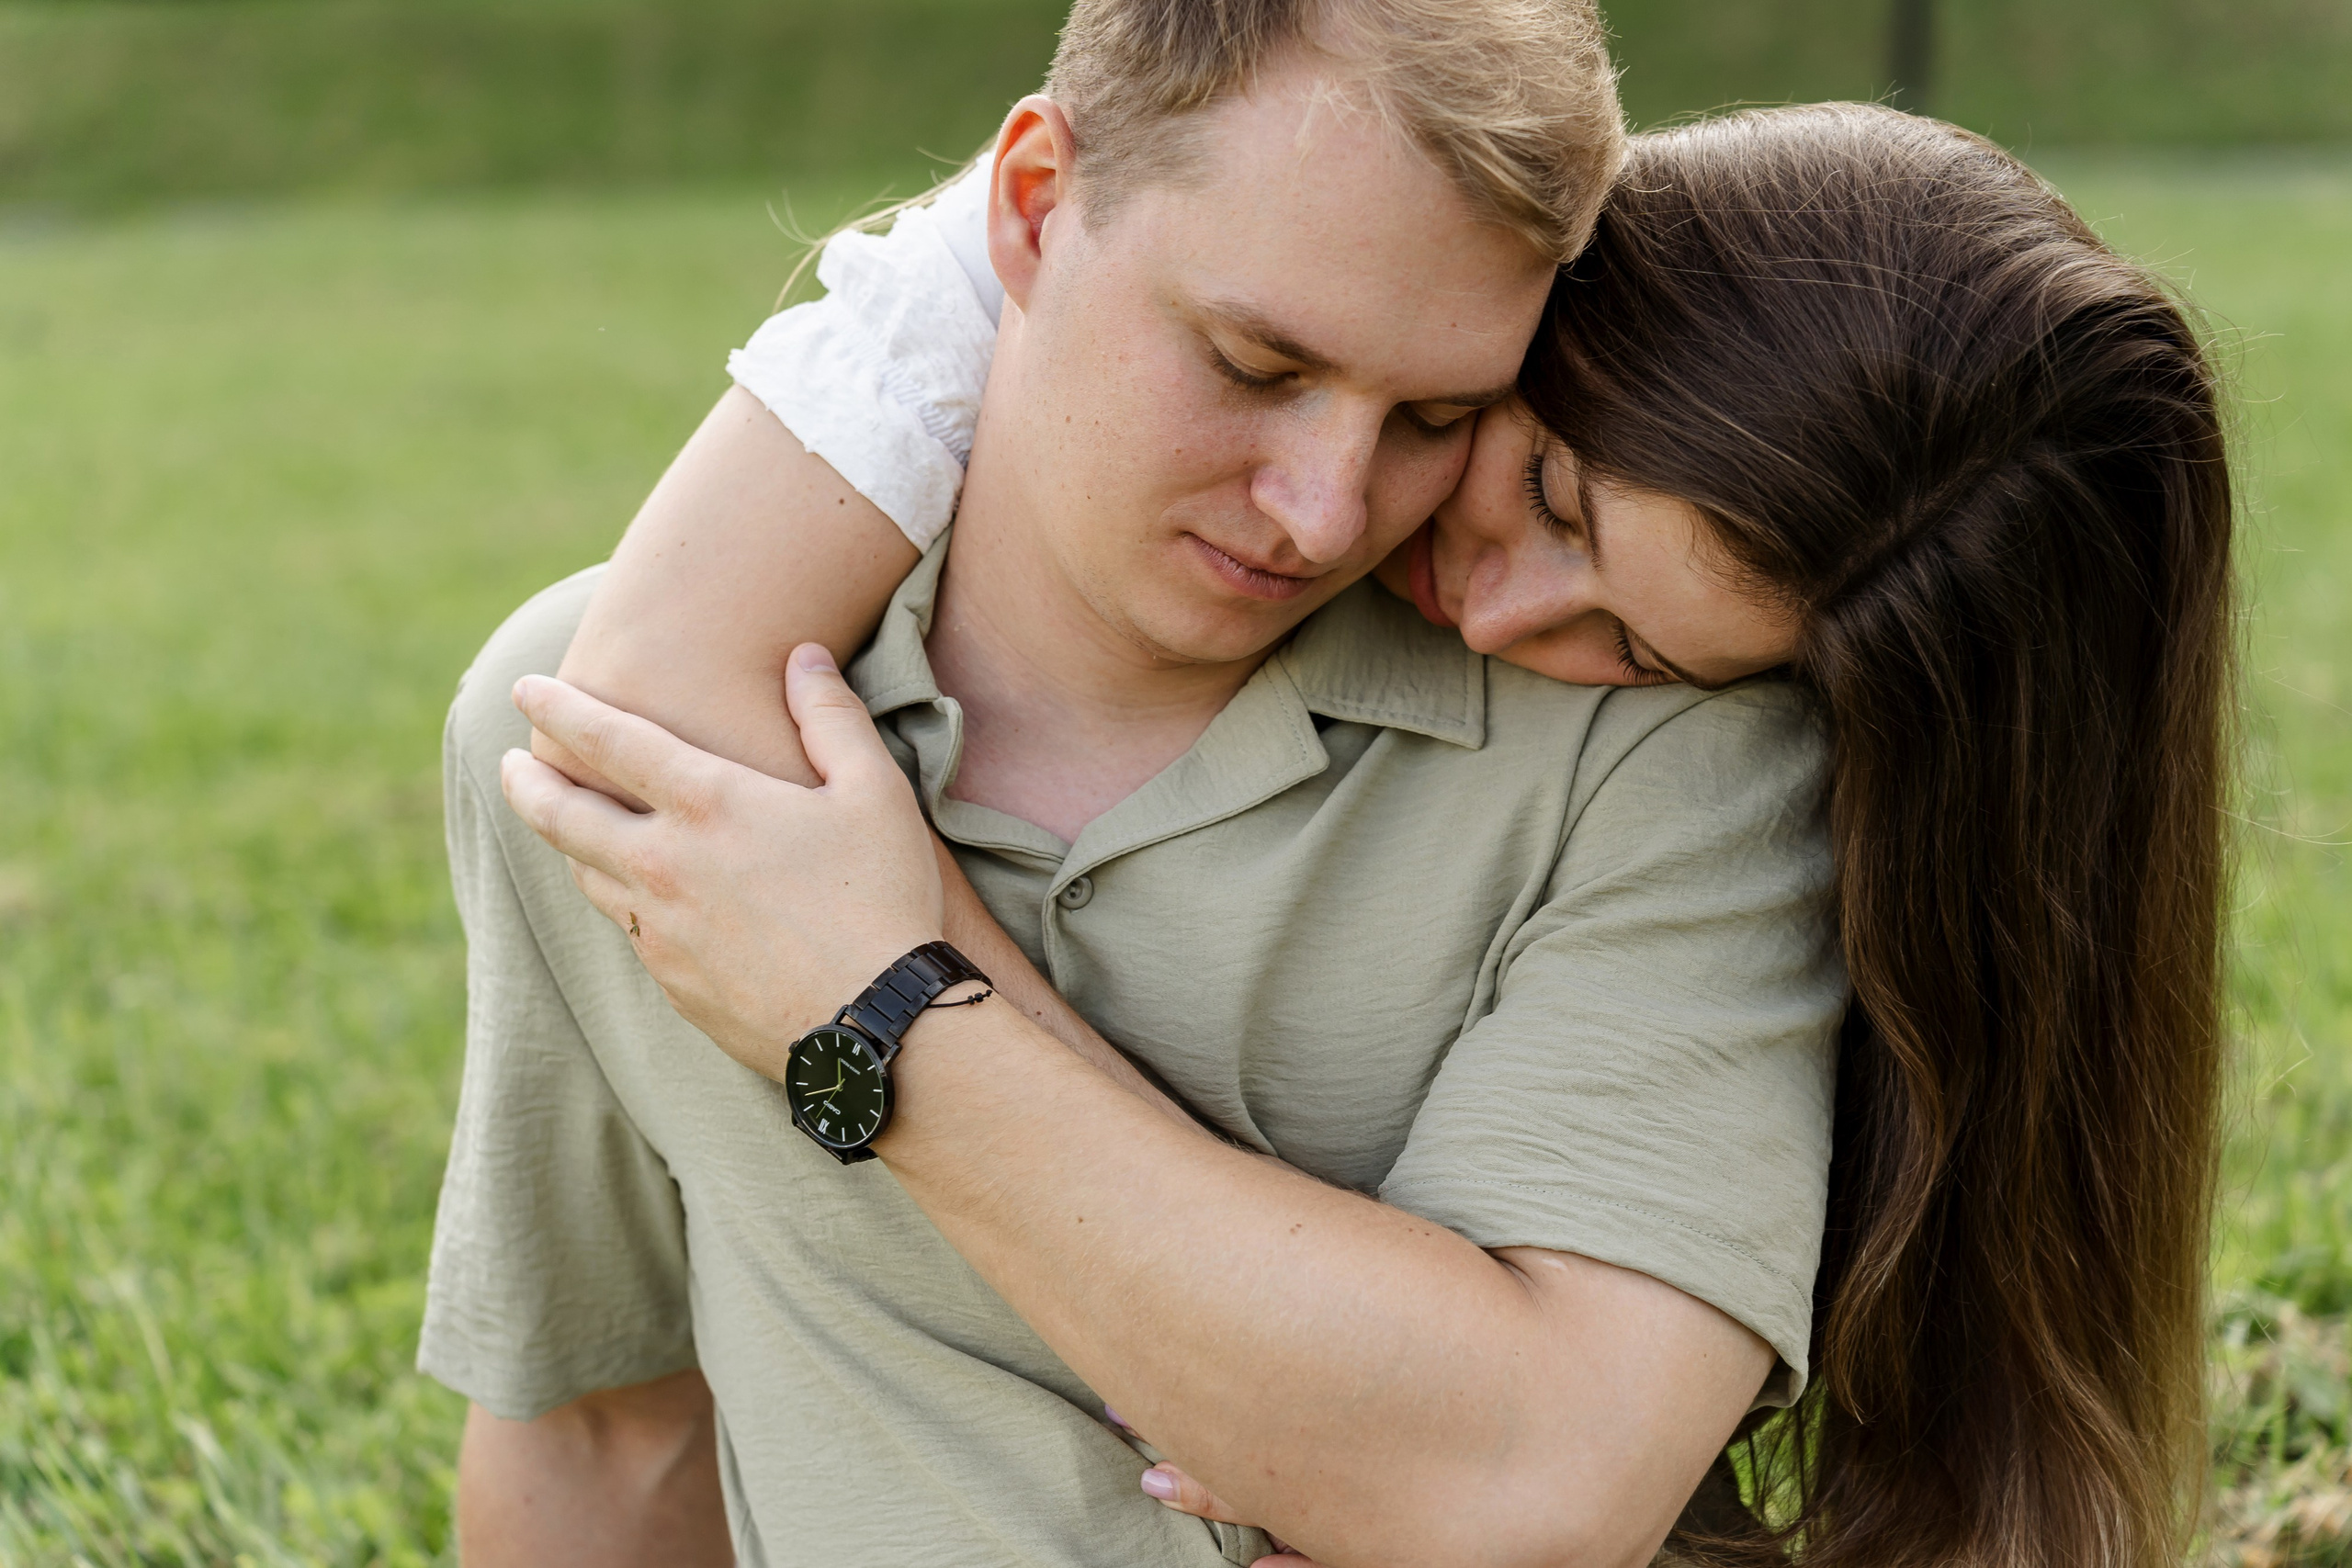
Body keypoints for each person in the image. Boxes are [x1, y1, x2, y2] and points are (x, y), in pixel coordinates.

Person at [495, 97, 2233, 1568]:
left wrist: (883, 993)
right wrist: (979, 262)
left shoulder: (1690, 777)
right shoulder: (598, 721)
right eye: (1547, 487)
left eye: (1631, 648)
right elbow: (605, 1428)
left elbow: (1531, 1477)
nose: (1492, 610)